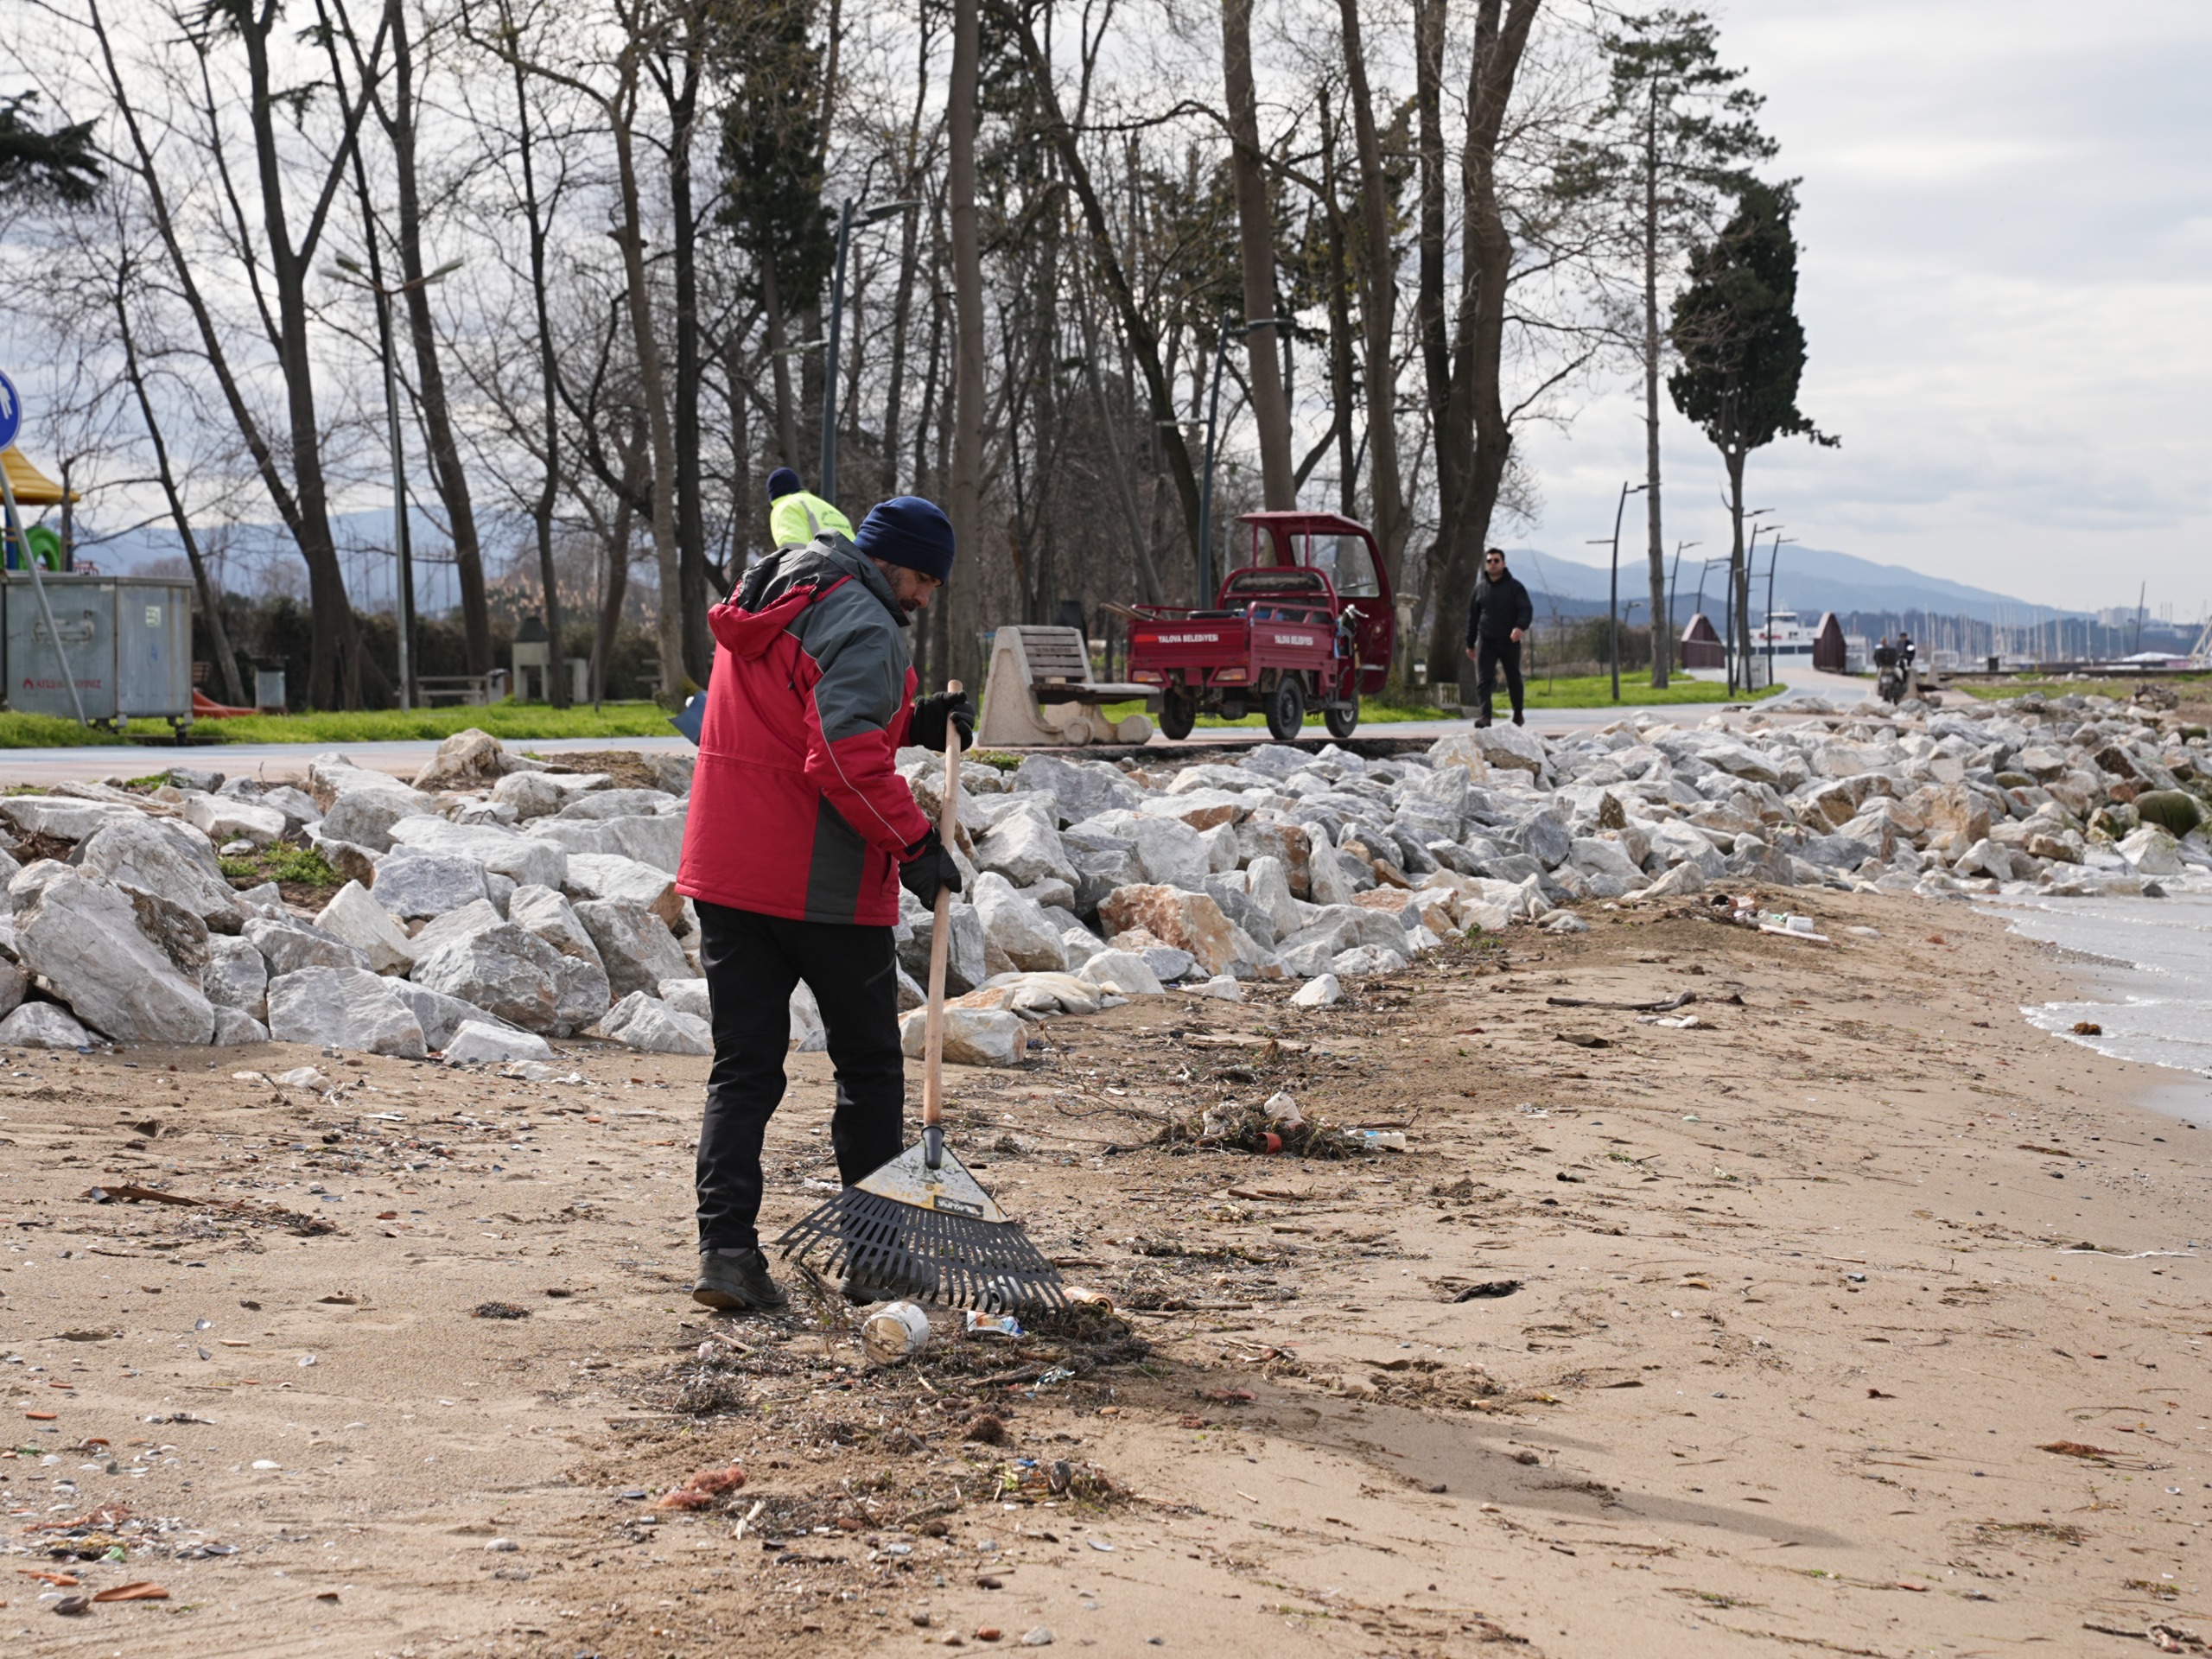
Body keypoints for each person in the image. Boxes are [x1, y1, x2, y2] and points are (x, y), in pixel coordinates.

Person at [677, 496, 973, 1313]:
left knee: (743, 1069)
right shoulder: (870, 625)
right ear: (894, 564)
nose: (925, 598)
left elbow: (796, 714)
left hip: (727, 874)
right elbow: (839, 760)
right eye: (924, 580)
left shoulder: (774, 596)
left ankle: (727, 1255)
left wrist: (913, 721)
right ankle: (875, 1258)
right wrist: (915, 846)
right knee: (870, 1069)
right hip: (821, 885)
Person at [1462, 545, 1533, 728]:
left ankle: (1518, 713)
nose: (1492, 564)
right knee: (1485, 679)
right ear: (1486, 564)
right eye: (1489, 561)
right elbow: (1473, 619)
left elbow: (1526, 609)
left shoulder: (1515, 587)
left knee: (1513, 678)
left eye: (1496, 561)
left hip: (1510, 640)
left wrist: (1519, 627)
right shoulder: (1480, 590)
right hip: (1486, 640)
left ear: (1504, 563)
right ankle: (1485, 716)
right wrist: (1470, 643)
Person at [765, 466, 853, 551]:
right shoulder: (827, 507)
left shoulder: (785, 507)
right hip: (853, 566)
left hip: (821, 565)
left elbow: (792, 552)